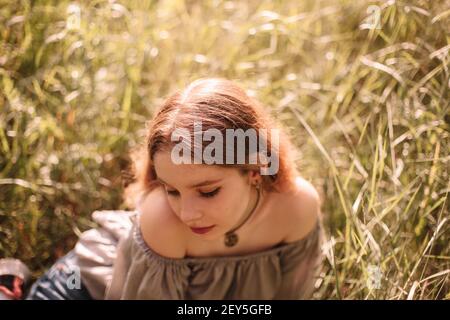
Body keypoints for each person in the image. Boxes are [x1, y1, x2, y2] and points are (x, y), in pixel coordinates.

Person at [15, 78, 324, 300]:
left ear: (254, 170)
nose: (187, 214)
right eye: (171, 190)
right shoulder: (162, 221)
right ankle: (9, 283)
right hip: (87, 287)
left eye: (208, 191)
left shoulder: (296, 208)